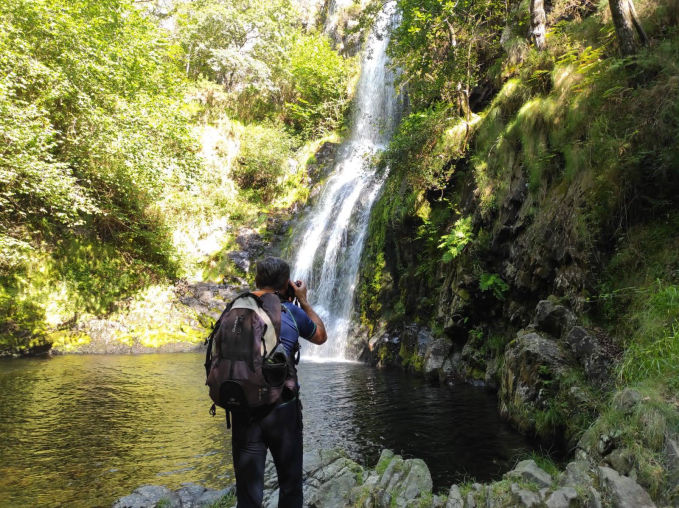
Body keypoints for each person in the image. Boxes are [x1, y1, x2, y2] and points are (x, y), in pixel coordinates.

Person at [231, 256, 327, 508]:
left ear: (256, 280)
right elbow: (320, 336)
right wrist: (303, 301)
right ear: (286, 283)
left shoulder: (237, 307)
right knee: (290, 486)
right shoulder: (291, 311)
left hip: (242, 406)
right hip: (281, 410)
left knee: (248, 494)